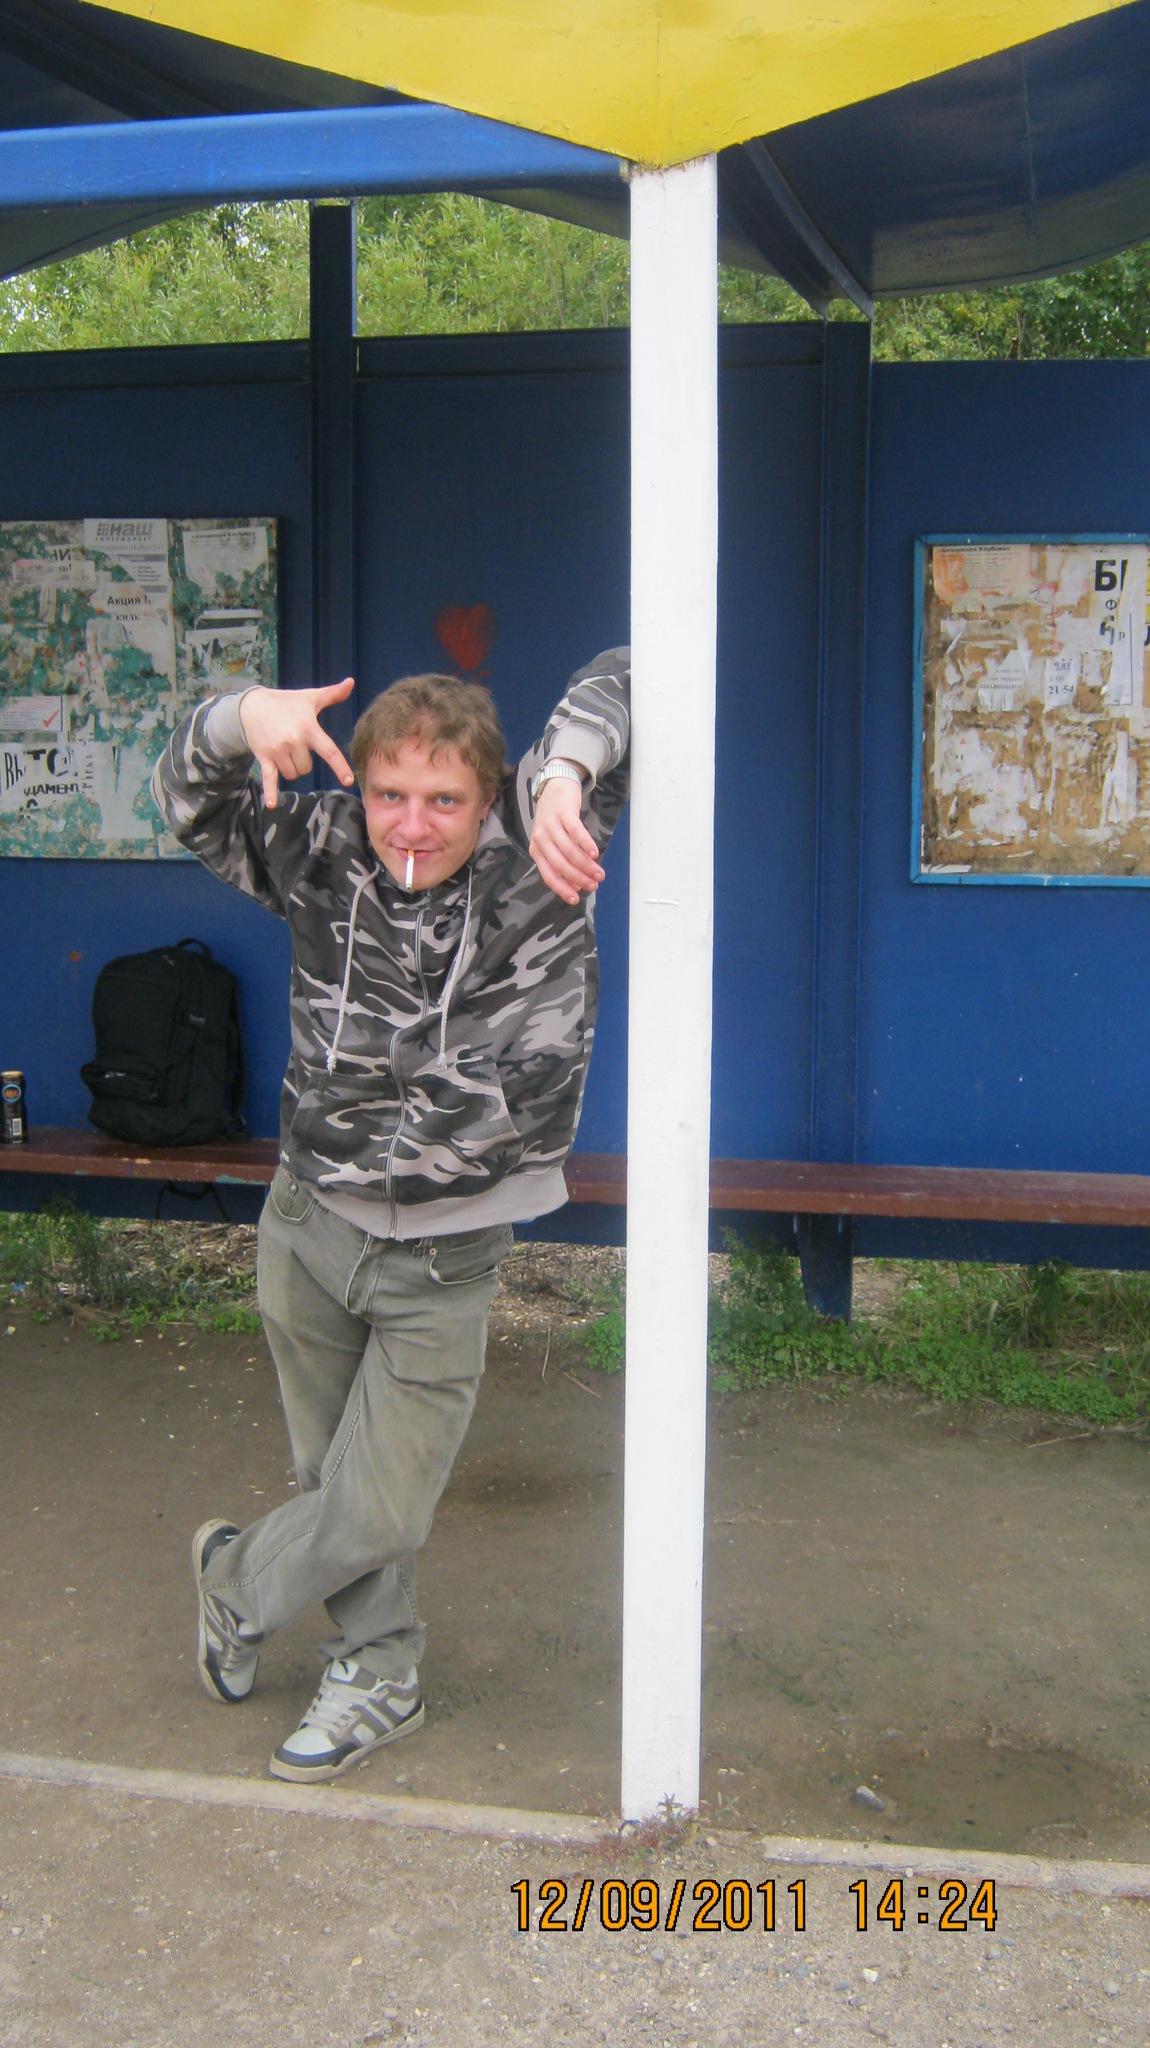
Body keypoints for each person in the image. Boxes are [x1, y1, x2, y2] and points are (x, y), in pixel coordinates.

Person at [151, 648, 630, 1782]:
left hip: (446, 1252)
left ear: (491, 791)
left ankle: (234, 1582)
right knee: (332, 1482)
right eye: (388, 794)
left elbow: (634, 669)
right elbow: (186, 799)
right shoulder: (318, 850)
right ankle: (380, 1671)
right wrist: (237, 715)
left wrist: (566, 775)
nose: (411, 826)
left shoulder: (542, 844)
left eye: (444, 799)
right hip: (309, 1219)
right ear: (358, 788)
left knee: (374, 1505)